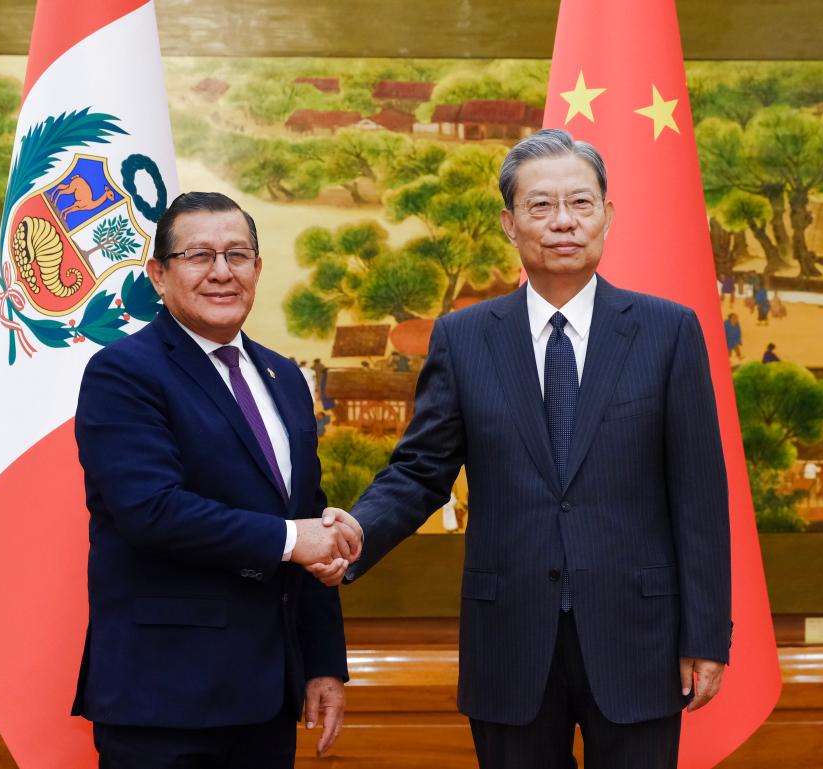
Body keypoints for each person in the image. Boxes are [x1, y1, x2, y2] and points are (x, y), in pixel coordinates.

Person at [325, 130, 731, 769]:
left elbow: (700, 496)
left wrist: (706, 636)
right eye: (541, 207)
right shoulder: (464, 339)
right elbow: (421, 470)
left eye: (581, 203)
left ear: (607, 215)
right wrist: (355, 531)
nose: (563, 222)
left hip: (639, 638)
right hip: (509, 637)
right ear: (510, 224)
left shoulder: (668, 331)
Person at [72, 192, 362, 768]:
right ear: (158, 274)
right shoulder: (124, 372)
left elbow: (308, 513)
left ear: (257, 269)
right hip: (164, 698)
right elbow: (151, 510)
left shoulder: (282, 376)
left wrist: (323, 661)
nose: (222, 272)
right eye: (200, 255)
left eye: (238, 255)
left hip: (268, 697)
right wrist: (291, 539)